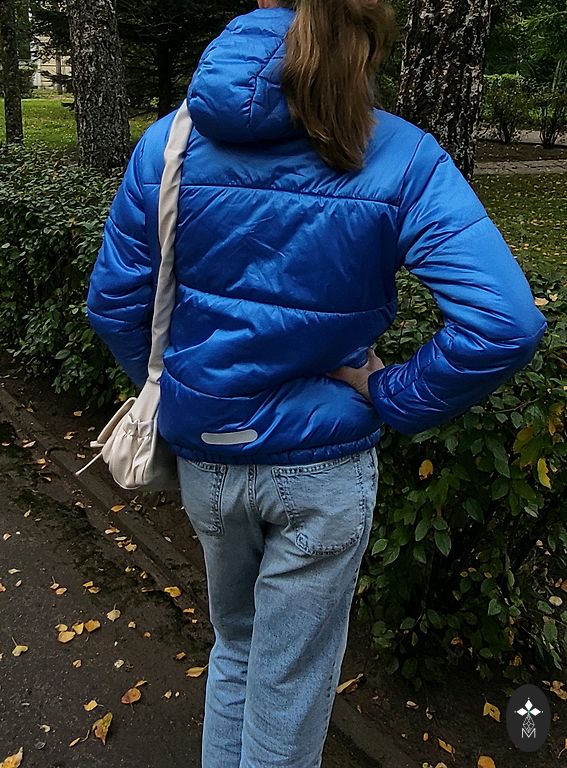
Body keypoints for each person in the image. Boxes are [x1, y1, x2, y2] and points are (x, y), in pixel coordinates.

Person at [85, 0, 547, 765]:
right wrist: (391, 393)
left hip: (208, 456)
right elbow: (504, 322)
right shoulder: (401, 154)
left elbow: (112, 304)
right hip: (321, 472)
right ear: (365, 29)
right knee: (289, 683)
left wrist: (182, 390)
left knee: (235, 648)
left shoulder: (168, 143)